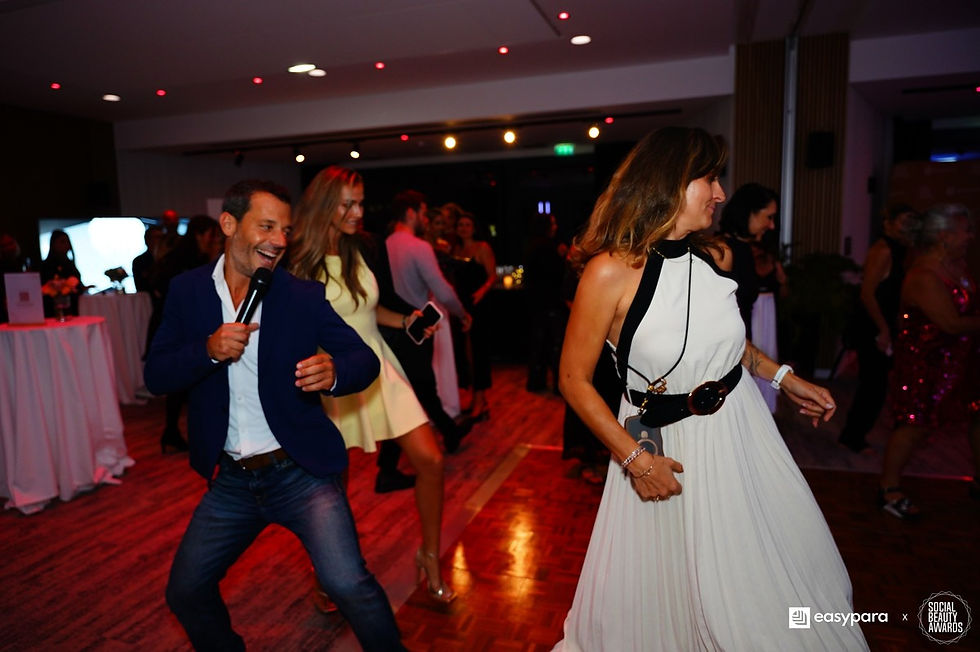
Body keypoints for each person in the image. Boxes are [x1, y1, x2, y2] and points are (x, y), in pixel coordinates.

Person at [553, 127, 868, 650]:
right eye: (710, 178)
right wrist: (635, 460)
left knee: (769, 571)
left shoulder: (715, 255)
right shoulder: (609, 272)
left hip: (741, 430)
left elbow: (728, 343)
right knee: (670, 591)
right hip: (664, 450)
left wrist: (783, 377)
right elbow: (572, 379)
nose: (721, 194)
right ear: (671, 182)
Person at [143, 179, 404, 652]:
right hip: (231, 483)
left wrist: (335, 371)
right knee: (185, 592)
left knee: (349, 585)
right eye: (266, 226)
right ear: (229, 224)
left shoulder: (300, 295)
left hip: (300, 472)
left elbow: (362, 358)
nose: (280, 241)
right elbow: (157, 374)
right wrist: (207, 349)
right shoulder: (187, 292)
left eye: (285, 229)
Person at [289, 165, 456, 602]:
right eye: (349, 203)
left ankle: (430, 556)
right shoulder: (299, 262)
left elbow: (365, 311)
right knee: (332, 489)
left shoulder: (359, 247)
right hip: (332, 377)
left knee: (431, 460)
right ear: (326, 204)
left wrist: (408, 320)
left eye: (361, 202)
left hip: (379, 366)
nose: (359, 212)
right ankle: (327, 573)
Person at [879, 203, 980, 518]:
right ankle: (888, 489)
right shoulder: (923, 275)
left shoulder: (957, 264)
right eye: (965, 230)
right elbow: (950, 323)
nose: (971, 236)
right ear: (944, 235)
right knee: (914, 426)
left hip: (959, 361)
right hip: (926, 364)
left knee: (976, 414)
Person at [381, 190, 473, 464]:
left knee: (407, 392)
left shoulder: (383, 245)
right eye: (422, 212)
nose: (425, 218)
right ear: (411, 213)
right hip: (419, 330)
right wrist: (462, 313)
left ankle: (446, 433)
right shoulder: (419, 247)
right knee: (421, 391)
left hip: (389, 328)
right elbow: (442, 292)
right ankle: (448, 433)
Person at [837, 204, 920, 453]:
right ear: (889, 224)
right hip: (872, 326)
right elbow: (867, 294)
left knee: (877, 384)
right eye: (904, 221)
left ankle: (855, 435)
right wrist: (883, 330)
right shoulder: (883, 250)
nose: (909, 227)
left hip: (884, 323)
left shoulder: (902, 250)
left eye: (912, 222)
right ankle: (852, 437)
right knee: (873, 385)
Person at [147, 215, 222, 453]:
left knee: (183, 385)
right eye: (211, 234)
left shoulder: (192, 257)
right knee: (178, 383)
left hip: (183, 324)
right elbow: (160, 286)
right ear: (200, 234)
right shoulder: (184, 260)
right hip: (176, 324)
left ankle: (173, 432)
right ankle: (172, 431)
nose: (214, 239)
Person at [718, 182, 785, 411]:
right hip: (726, 348)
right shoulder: (723, 250)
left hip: (743, 342)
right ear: (750, 213)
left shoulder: (747, 249)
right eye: (768, 217)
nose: (772, 225)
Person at [452, 213, 496, 419]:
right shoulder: (454, 249)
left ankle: (480, 400)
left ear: (474, 227)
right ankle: (478, 400)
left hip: (479, 306)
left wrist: (481, 292)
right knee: (464, 355)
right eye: (460, 225)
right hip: (460, 306)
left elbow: (492, 276)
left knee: (478, 353)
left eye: (467, 224)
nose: (463, 228)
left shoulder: (482, 248)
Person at [524, 213, 567, 393]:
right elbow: (556, 277)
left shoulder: (531, 245)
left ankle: (536, 382)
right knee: (555, 345)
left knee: (539, 344)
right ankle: (558, 385)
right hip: (551, 302)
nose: (555, 226)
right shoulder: (550, 248)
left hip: (536, 303)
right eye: (553, 223)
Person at [40, 229, 83, 317]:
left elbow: (77, 284)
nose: (66, 245)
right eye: (62, 242)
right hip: (53, 311)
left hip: (73, 308)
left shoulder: (69, 263)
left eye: (67, 241)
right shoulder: (46, 265)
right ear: (53, 244)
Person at [132, 225, 164, 293]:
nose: (160, 241)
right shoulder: (139, 261)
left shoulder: (169, 260)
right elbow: (141, 287)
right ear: (147, 240)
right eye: (157, 237)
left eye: (162, 238)